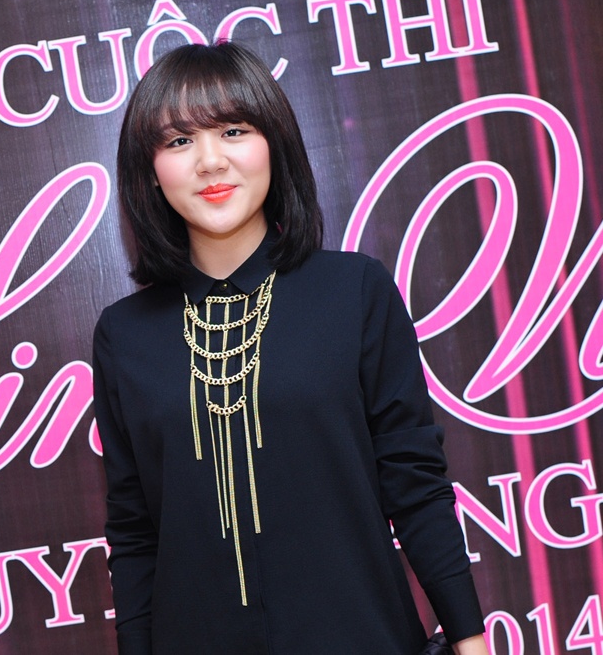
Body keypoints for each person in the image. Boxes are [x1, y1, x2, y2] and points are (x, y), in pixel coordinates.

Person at [92, 41, 489, 654]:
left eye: (233, 131)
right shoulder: (124, 336)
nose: (210, 161)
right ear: (149, 170)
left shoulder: (354, 291)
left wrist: (469, 637)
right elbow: (135, 534)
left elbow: (415, 484)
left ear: (274, 143)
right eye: (179, 141)